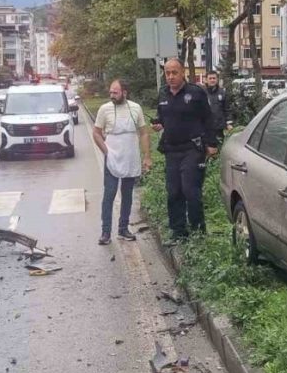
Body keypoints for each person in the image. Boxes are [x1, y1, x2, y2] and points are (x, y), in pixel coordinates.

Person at [153, 58, 218, 241]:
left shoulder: (196, 93)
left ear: (183, 73)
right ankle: (178, 231)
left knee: (190, 190)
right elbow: (162, 117)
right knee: (174, 191)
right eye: (167, 73)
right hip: (171, 150)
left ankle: (198, 231)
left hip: (192, 149)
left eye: (174, 72)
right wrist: (158, 123)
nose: (171, 76)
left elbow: (208, 119)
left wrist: (212, 144)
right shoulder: (163, 93)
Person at [93, 80, 152, 245]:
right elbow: (96, 133)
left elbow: (144, 133)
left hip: (130, 156)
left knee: (127, 194)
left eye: (115, 92)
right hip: (112, 156)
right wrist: (106, 151)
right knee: (109, 193)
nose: (112, 95)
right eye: (111, 92)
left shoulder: (136, 108)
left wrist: (147, 156)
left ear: (124, 92)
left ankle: (123, 228)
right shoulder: (104, 109)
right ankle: (105, 232)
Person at [202, 71, 232, 144]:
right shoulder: (202, 93)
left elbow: (227, 109)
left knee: (219, 146)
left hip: (220, 127)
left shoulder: (222, 92)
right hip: (206, 128)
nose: (212, 80)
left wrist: (229, 123)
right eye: (210, 78)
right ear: (206, 80)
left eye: (214, 78)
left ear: (217, 79)